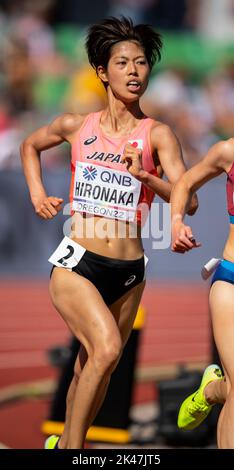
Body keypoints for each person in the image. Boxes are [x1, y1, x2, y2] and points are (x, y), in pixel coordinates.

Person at [20, 16, 197, 449]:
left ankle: (64, 442)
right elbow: (29, 146)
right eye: (123, 63)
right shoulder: (76, 126)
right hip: (78, 261)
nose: (135, 71)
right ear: (102, 71)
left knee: (92, 368)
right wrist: (37, 193)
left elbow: (187, 199)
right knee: (106, 350)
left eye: (141, 63)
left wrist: (147, 177)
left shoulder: (158, 134)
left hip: (130, 270)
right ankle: (72, 449)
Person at [170, 138, 234, 448]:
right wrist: (177, 222)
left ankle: (210, 390)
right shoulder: (228, 151)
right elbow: (184, 182)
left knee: (232, 388)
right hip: (231, 281)